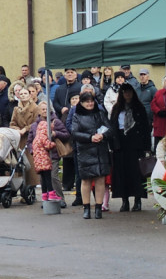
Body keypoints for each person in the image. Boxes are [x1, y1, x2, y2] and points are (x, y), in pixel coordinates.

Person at [69, 90, 112, 219]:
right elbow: (74, 133)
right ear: (81, 103)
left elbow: (110, 128)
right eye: (87, 101)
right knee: (86, 180)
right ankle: (86, 208)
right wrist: (90, 137)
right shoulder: (77, 115)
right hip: (85, 150)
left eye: (91, 101)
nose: (90, 103)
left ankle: (98, 208)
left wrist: (102, 135)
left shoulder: (100, 113)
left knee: (100, 179)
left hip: (100, 149)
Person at [109, 83, 149, 212]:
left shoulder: (139, 107)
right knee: (122, 173)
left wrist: (147, 146)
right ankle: (124, 200)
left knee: (136, 172)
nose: (127, 94)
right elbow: (112, 126)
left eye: (129, 91)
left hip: (135, 143)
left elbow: (145, 127)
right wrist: (112, 144)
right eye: (124, 92)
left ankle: (137, 200)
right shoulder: (116, 108)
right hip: (120, 143)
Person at [30, 101, 68, 202]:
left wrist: (56, 133)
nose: (45, 111)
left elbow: (66, 135)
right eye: (42, 109)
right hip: (41, 157)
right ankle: (46, 200)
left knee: (53, 177)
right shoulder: (34, 125)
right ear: (38, 111)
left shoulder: (56, 122)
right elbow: (30, 141)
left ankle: (60, 199)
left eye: (46, 109)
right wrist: (33, 150)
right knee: (43, 179)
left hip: (53, 155)